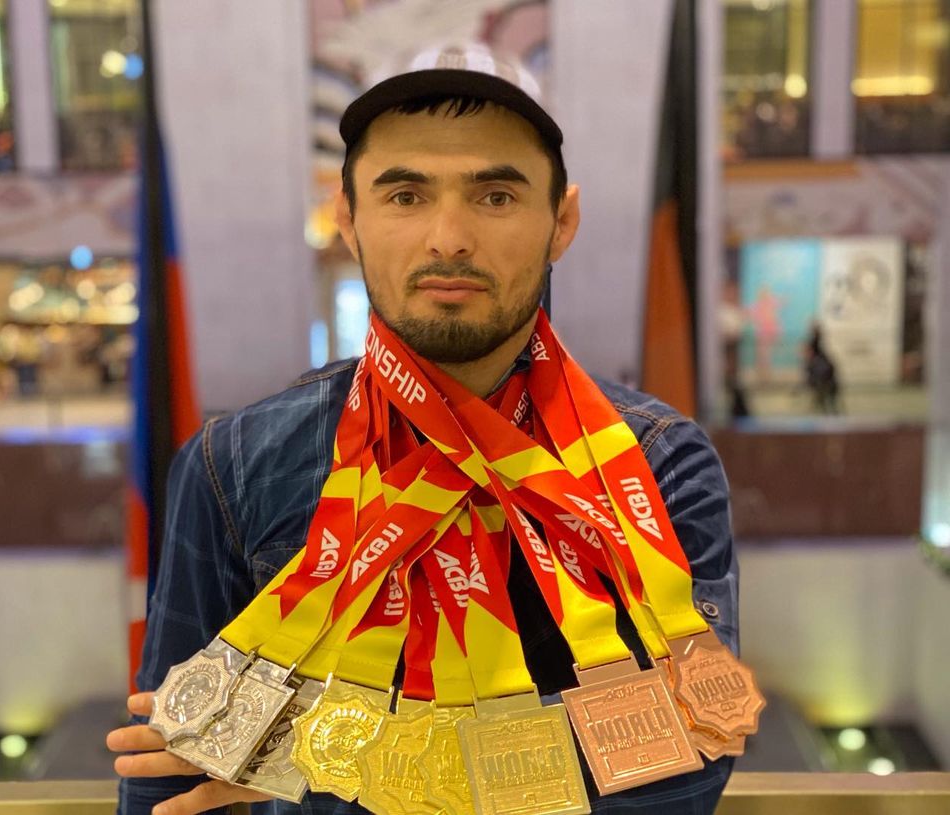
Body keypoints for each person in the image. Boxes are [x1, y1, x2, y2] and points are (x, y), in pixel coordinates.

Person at [110, 43, 739, 815]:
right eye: (406, 195)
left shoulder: (660, 461)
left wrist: (330, 750)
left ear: (562, 221)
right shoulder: (235, 463)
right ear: (348, 220)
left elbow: (692, 757)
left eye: (495, 196)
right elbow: (168, 782)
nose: (448, 238)